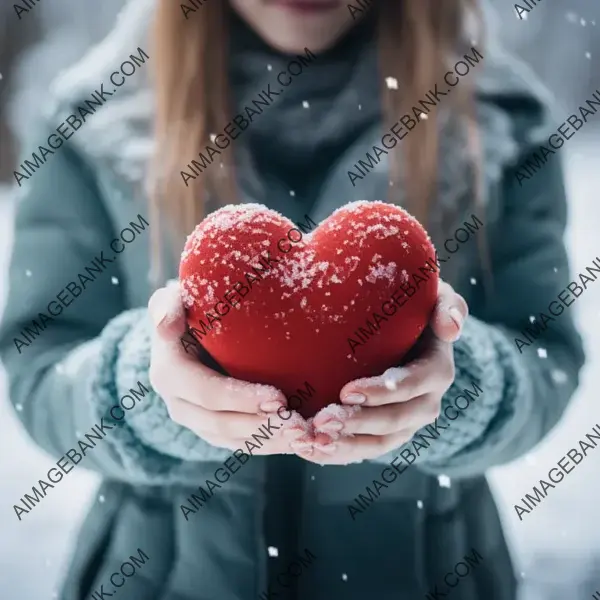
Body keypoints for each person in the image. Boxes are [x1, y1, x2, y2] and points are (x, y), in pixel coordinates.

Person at [0, 0, 585, 599]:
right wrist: (150, 393)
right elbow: (40, 367)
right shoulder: (94, 119)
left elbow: (546, 357)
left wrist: (450, 390)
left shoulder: (504, 119)